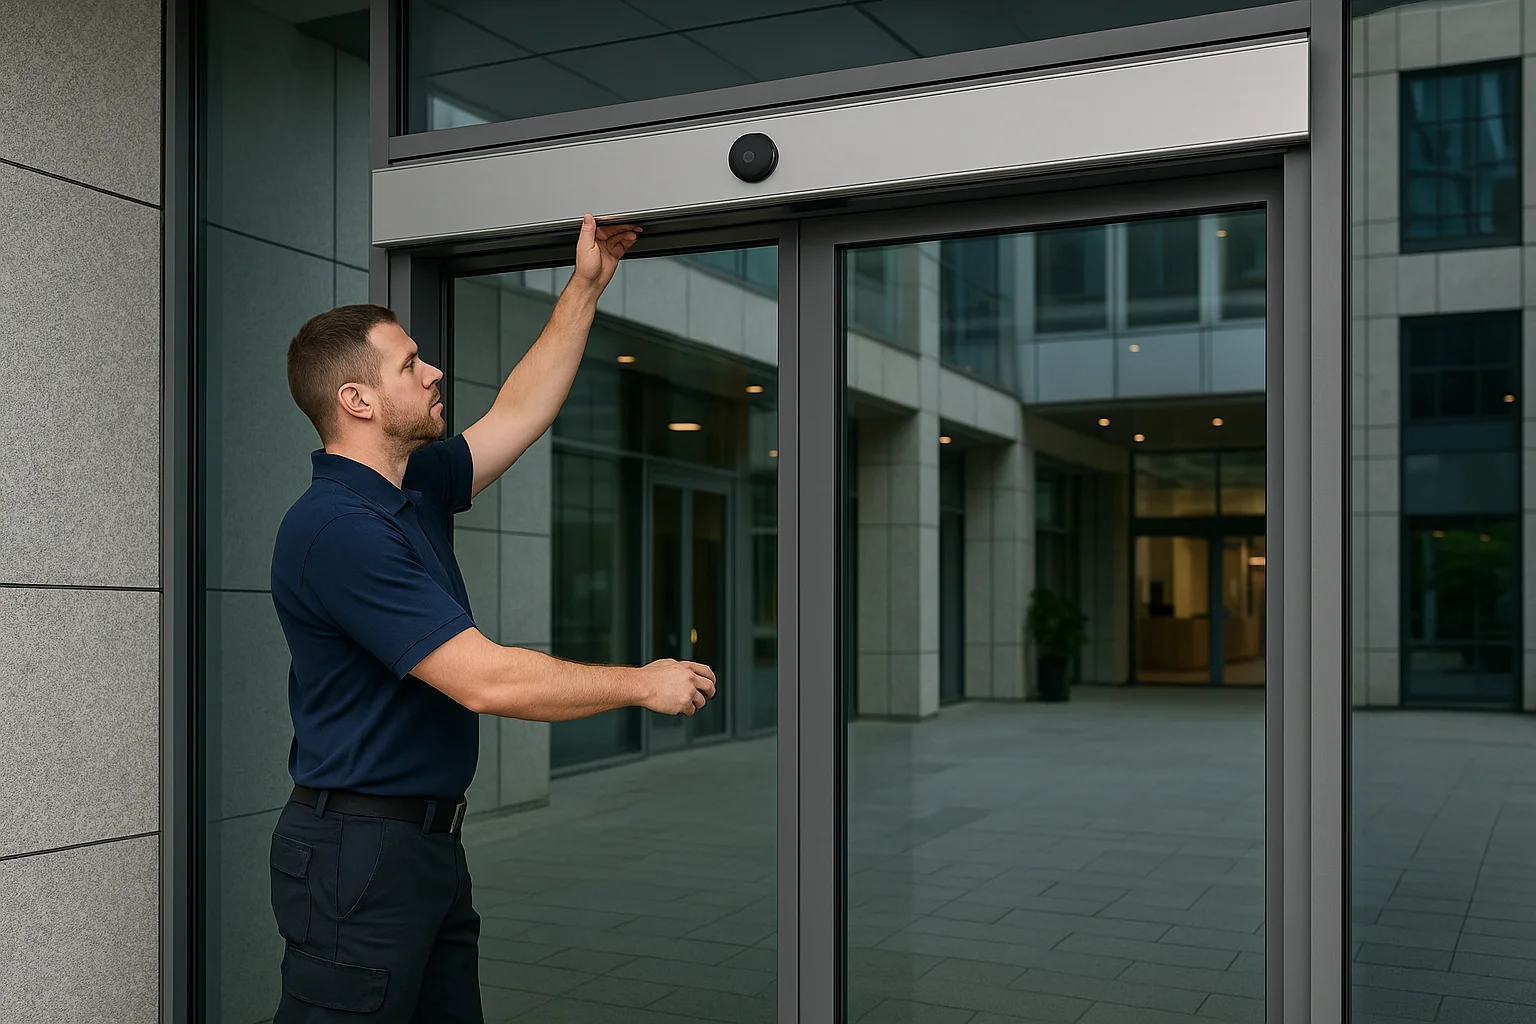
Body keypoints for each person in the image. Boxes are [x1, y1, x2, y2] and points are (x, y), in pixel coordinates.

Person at [266, 214, 717, 1022]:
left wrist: (585, 286)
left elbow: (519, 411)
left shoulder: (410, 487)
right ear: (357, 399)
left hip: (423, 847)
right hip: (358, 854)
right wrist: (640, 684)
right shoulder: (337, 529)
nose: (433, 371)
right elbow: (484, 679)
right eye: (411, 364)